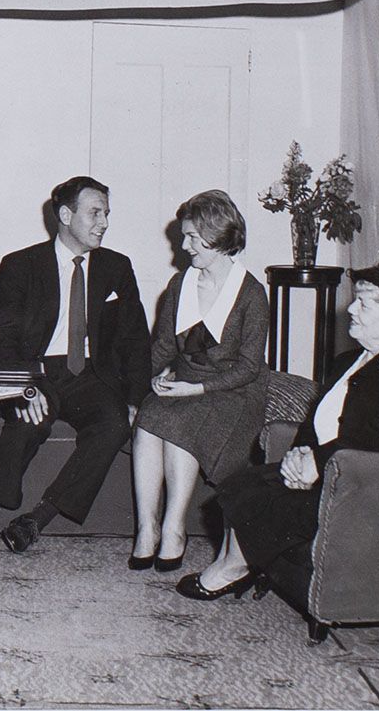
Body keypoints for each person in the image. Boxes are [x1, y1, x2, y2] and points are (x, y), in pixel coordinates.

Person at [177, 259, 379, 601]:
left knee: (266, 497)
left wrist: (319, 463)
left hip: (373, 485)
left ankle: (233, 568)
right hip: (333, 471)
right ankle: (233, 563)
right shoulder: (349, 361)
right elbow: (314, 422)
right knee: (241, 483)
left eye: (362, 303)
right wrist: (298, 455)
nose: (351, 309)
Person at [0, 176, 152, 552]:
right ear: (66, 215)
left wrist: (135, 400)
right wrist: (24, 385)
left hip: (91, 376)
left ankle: (37, 519)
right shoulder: (21, 265)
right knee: (25, 420)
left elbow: (135, 339)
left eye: (107, 214)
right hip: (37, 369)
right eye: (95, 213)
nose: (104, 223)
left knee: (114, 424)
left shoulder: (117, 267)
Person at [128, 190, 269, 573]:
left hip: (235, 390)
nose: (184, 244)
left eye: (192, 237)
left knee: (178, 422)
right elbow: (161, 347)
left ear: (219, 237)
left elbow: (249, 368)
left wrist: (198, 388)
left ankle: (174, 530)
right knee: (148, 421)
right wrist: (143, 386)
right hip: (186, 382)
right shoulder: (180, 285)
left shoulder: (252, 294)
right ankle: (147, 528)